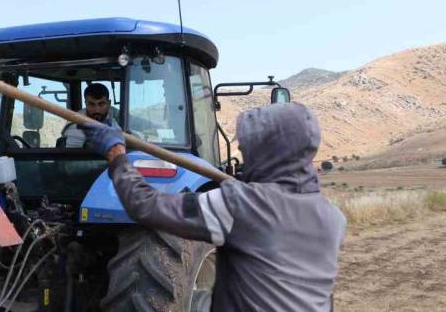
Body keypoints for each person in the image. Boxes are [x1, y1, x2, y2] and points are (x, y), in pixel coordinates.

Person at [79, 102, 346, 311]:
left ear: (269, 151)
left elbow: (146, 207)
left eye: (249, 146)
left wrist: (116, 154)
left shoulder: (240, 205)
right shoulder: (333, 218)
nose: (240, 148)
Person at [60, 83, 116, 148]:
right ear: (86, 104)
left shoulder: (119, 116)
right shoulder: (76, 126)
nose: (97, 110)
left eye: (101, 104)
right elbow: (71, 156)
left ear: (109, 103)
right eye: (92, 104)